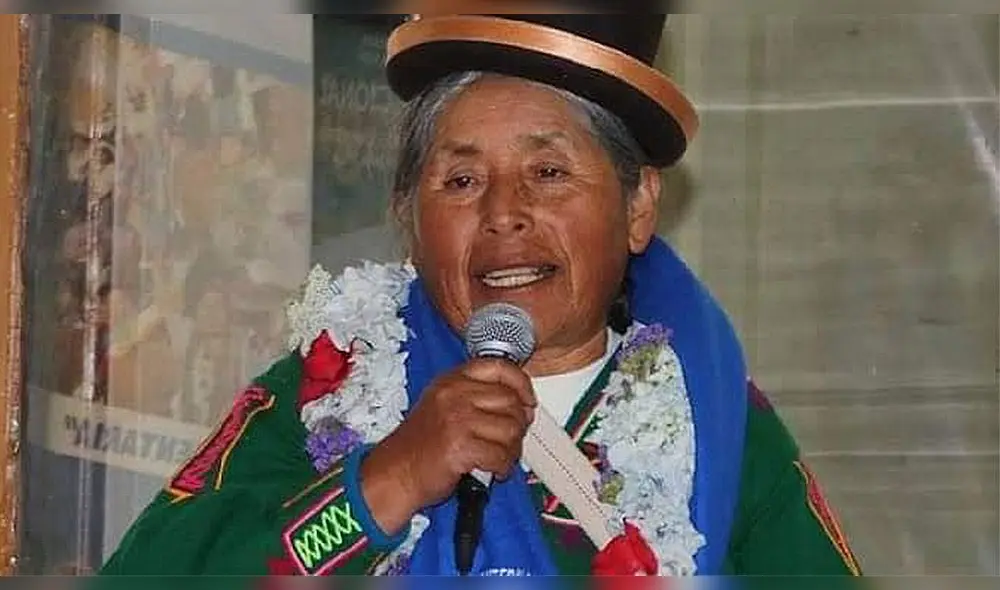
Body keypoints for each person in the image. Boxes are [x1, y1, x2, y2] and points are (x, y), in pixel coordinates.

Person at [98, 13, 861, 577]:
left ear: (636, 208)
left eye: (550, 173)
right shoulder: (318, 392)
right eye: (460, 181)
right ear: (409, 221)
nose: (503, 213)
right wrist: (386, 481)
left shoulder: (715, 420)